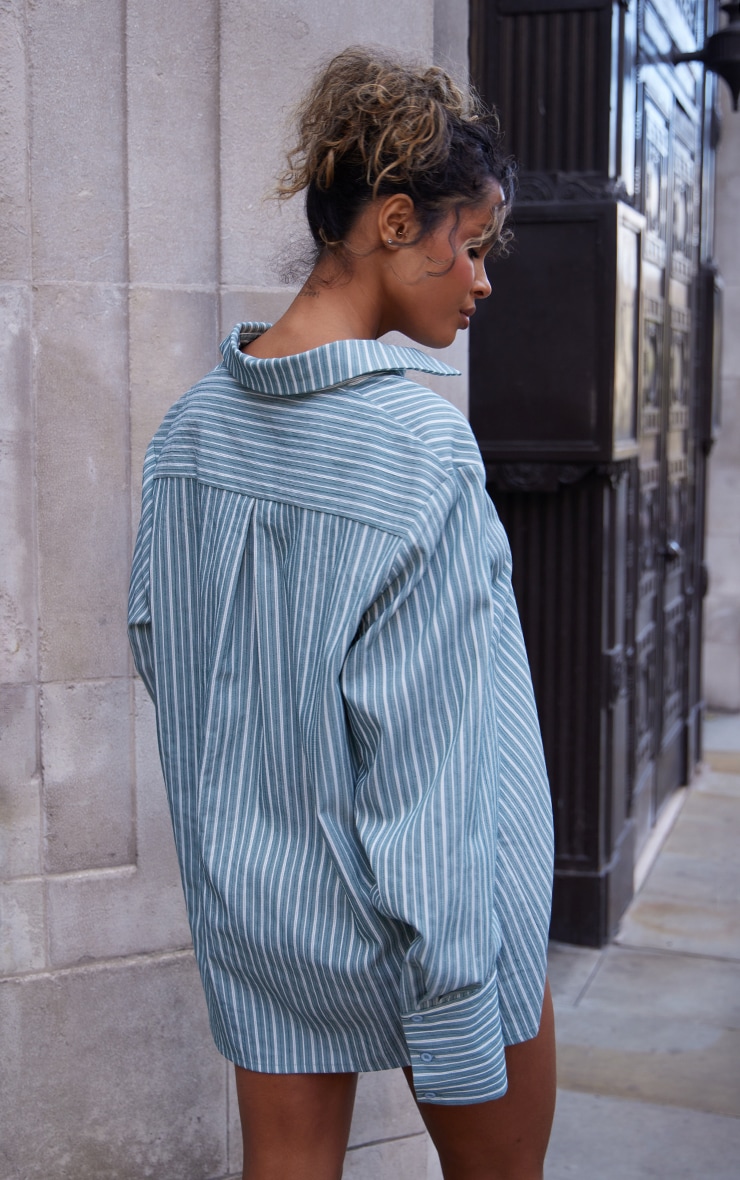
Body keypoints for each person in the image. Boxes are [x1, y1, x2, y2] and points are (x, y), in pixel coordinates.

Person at [128, 47, 555, 1180]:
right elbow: (437, 763)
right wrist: (460, 997)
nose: (480, 280)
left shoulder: (185, 440)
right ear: (394, 221)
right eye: (469, 243)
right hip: (450, 930)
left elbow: (169, 667)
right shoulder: (419, 449)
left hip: (266, 915)